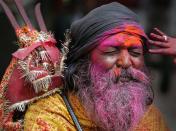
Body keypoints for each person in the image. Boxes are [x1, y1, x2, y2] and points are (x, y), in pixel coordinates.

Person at [0, 1, 169, 131]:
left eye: (135, 52)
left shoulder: (149, 116)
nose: (125, 62)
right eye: (111, 51)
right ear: (83, 61)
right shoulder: (48, 117)